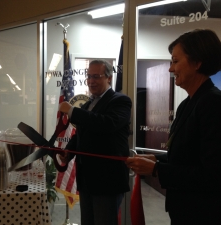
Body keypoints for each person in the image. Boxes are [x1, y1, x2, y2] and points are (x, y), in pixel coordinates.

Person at [126, 29, 221, 224]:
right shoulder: (188, 103)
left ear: (197, 63)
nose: (170, 69)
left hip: (204, 214)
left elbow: (212, 174)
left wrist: (156, 169)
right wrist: (156, 158)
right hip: (183, 211)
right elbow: (187, 155)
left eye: (175, 62)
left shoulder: (213, 104)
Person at [58, 59, 132, 225]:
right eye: (89, 76)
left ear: (109, 78)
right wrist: (68, 152)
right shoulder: (88, 105)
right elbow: (81, 134)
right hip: (87, 180)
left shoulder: (120, 101)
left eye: (96, 76)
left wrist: (71, 111)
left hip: (107, 181)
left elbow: (106, 124)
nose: (91, 81)